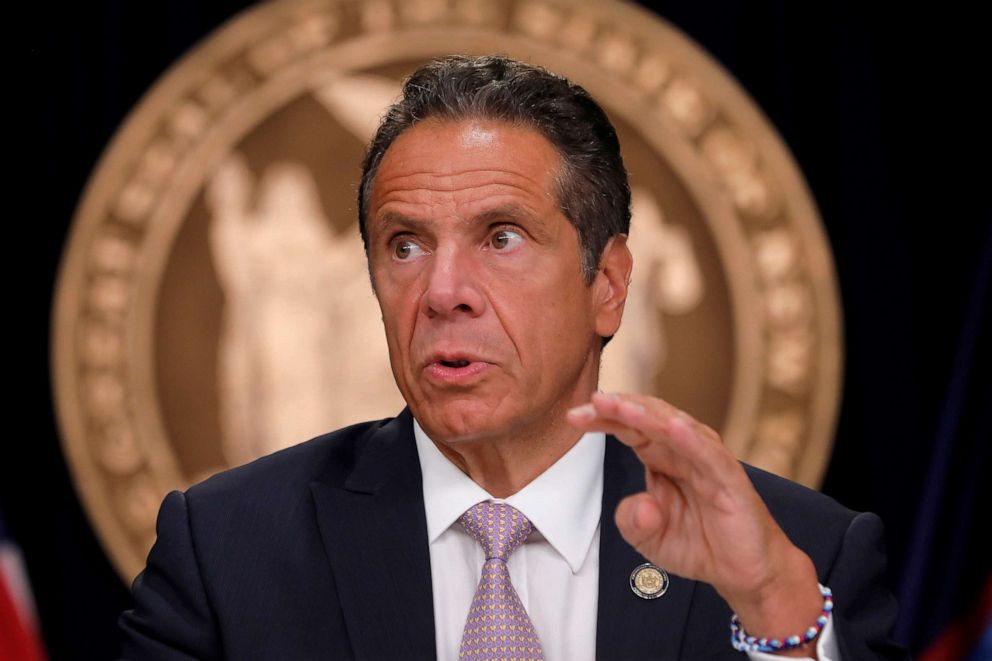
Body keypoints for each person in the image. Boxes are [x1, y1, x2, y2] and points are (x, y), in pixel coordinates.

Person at [119, 55, 906, 660]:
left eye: (501, 237)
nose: (443, 291)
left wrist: (773, 608)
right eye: (405, 245)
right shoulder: (228, 553)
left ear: (609, 283)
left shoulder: (803, 556)